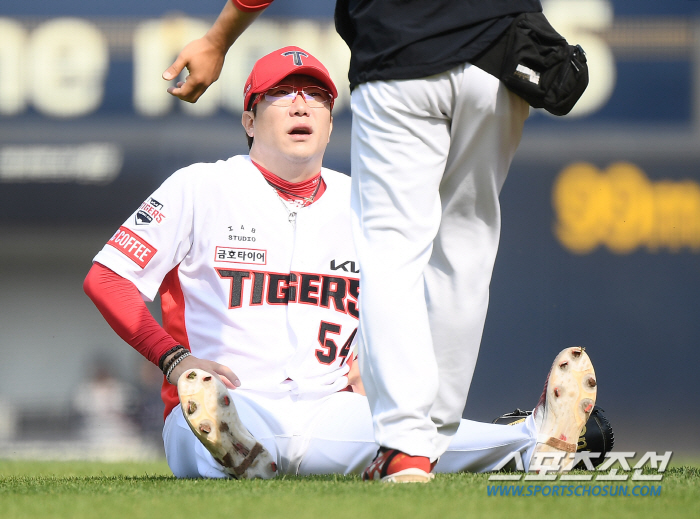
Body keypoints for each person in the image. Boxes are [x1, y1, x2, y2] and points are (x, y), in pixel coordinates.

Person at [85, 46, 596, 481]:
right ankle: (234, 450)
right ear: (248, 118)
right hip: (224, 400)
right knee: (212, 433)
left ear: (331, 122)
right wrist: (174, 360)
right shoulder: (200, 187)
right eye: (281, 94)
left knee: (407, 439)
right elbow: (108, 277)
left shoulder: (364, 202)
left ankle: (535, 440)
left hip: (330, 407)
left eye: (316, 96)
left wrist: (372, 363)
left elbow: (405, 301)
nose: (300, 104)